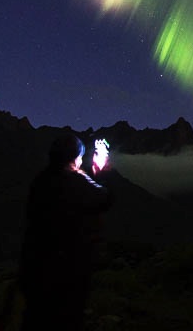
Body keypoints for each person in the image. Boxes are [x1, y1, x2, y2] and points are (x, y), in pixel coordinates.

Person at [18, 134, 113, 331]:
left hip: (35, 264)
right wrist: (101, 170)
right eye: (79, 156)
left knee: (36, 318)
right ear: (73, 157)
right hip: (68, 269)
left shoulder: (41, 180)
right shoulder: (75, 180)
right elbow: (104, 199)